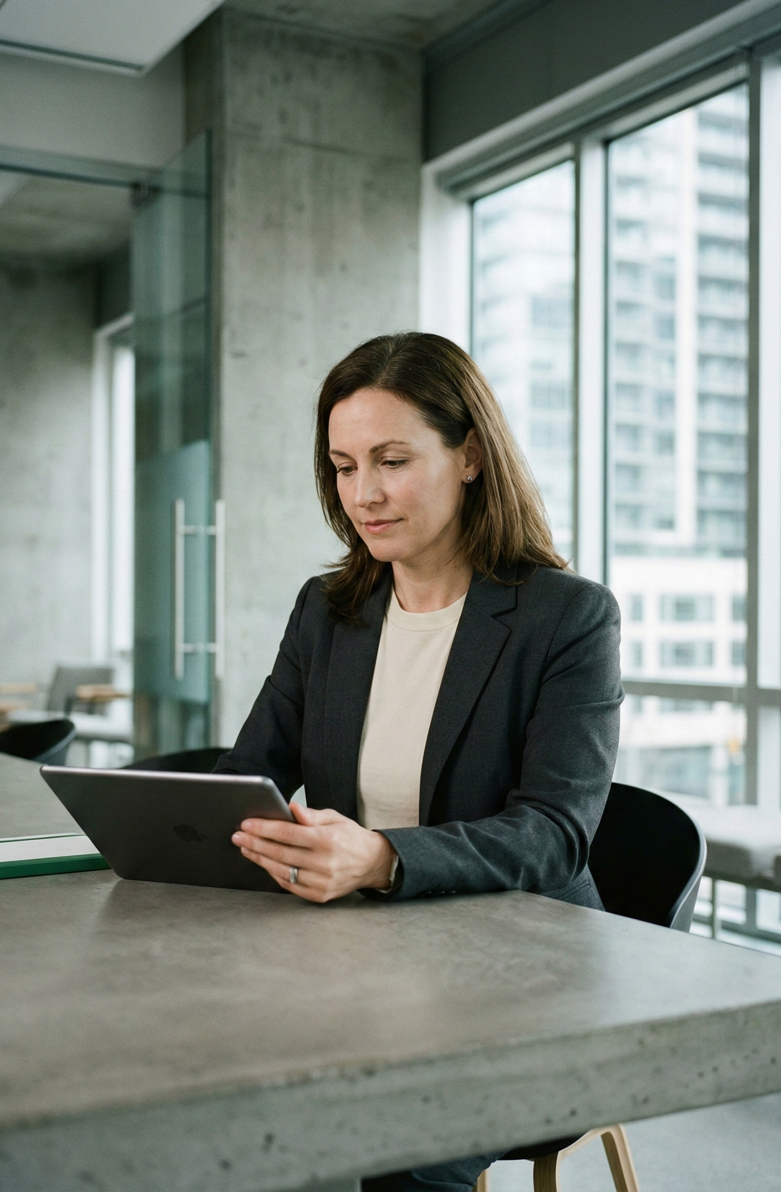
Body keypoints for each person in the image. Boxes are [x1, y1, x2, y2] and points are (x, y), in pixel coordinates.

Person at [215, 330, 622, 1192]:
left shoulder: (568, 618)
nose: (363, 493)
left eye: (392, 461)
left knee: (390, 1142)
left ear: (469, 456)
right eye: (343, 466)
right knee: (199, 1092)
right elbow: (250, 774)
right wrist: (160, 823)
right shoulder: (329, 611)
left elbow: (554, 833)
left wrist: (382, 859)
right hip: (361, 965)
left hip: (522, 985)